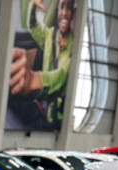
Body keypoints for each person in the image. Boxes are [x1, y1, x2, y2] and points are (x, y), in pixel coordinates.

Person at [9, 0, 74, 129]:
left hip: (57, 120)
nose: (64, 13)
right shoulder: (50, 35)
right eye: (62, 7)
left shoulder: (75, 48)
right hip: (43, 108)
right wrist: (33, 7)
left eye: (69, 8)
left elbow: (63, 75)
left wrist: (35, 79)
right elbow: (33, 27)